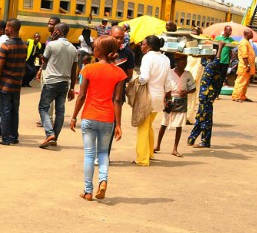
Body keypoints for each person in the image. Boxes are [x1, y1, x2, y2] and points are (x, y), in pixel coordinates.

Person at [70, 36, 126, 201]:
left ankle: (88, 191)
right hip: (107, 118)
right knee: (102, 153)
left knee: (89, 154)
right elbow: (117, 100)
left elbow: (81, 96)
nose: (93, 49)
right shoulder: (119, 73)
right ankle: (103, 180)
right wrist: (118, 124)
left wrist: (73, 117)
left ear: (99, 51)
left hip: (89, 116)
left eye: (94, 47)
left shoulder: (88, 69)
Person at [38, 23, 78, 148]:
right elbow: (74, 70)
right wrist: (72, 88)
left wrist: (50, 40)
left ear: (58, 32)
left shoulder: (52, 45)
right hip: (65, 83)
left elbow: (44, 60)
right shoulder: (73, 49)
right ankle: (54, 136)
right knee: (60, 111)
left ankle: (50, 133)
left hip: (51, 82)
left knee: (43, 107)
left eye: (55, 30)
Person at [135, 35, 173, 166]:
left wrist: (136, 79)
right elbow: (168, 82)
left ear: (149, 46)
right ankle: (150, 153)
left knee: (143, 128)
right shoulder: (165, 59)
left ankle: (142, 159)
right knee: (149, 125)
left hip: (148, 96)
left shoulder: (147, 57)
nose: (141, 46)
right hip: (158, 98)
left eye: (143, 44)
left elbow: (144, 78)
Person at [0, 19, 27, 145]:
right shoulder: (24, 45)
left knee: (5, 110)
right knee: (14, 111)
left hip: (5, 84)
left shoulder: (6, 45)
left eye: (7, 27)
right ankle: (13, 136)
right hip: (17, 84)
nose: (5, 29)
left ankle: (5, 138)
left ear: (10, 29)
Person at [154, 55, 196, 157]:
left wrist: (186, 92)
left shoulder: (188, 74)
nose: (184, 63)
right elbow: (164, 87)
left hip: (182, 101)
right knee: (164, 124)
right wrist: (164, 100)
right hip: (170, 100)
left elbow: (193, 88)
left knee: (179, 126)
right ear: (177, 62)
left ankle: (175, 148)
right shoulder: (170, 73)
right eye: (182, 61)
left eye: (185, 61)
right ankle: (158, 145)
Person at [187, 45, 228, 148]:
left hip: (207, 97)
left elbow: (217, 59)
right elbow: (201, 60)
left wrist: (220, 47)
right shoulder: (207, 64)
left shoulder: (213, 65)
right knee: (199, 117)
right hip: (203, 97)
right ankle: (191, 138)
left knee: (206, 120)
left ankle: (205, 142)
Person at [232, 29, 256, 102]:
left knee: (245, 82)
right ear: (246, 34)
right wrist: (247, 65)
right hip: (244, 66)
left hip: (248, 66)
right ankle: (236, 96)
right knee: (241, 81)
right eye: (250, 33)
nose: (252, 34)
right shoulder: (243, 43)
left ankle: (242, 96)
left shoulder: (247, 42)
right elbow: (244, 55)